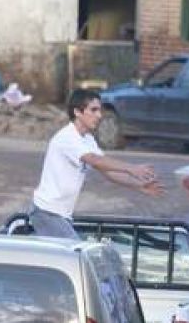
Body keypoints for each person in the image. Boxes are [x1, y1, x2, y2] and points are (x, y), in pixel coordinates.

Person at [31, 89, 163, 239]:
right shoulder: (67, 137)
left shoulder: (87, 139)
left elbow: (107, 171)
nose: (99, 116)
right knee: (76, 256)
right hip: (47, 213)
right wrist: (131, 168)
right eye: (93, 110)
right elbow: (95, 160)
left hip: (61, 215)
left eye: (99, 111)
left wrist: (137, 185)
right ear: (77, 112)